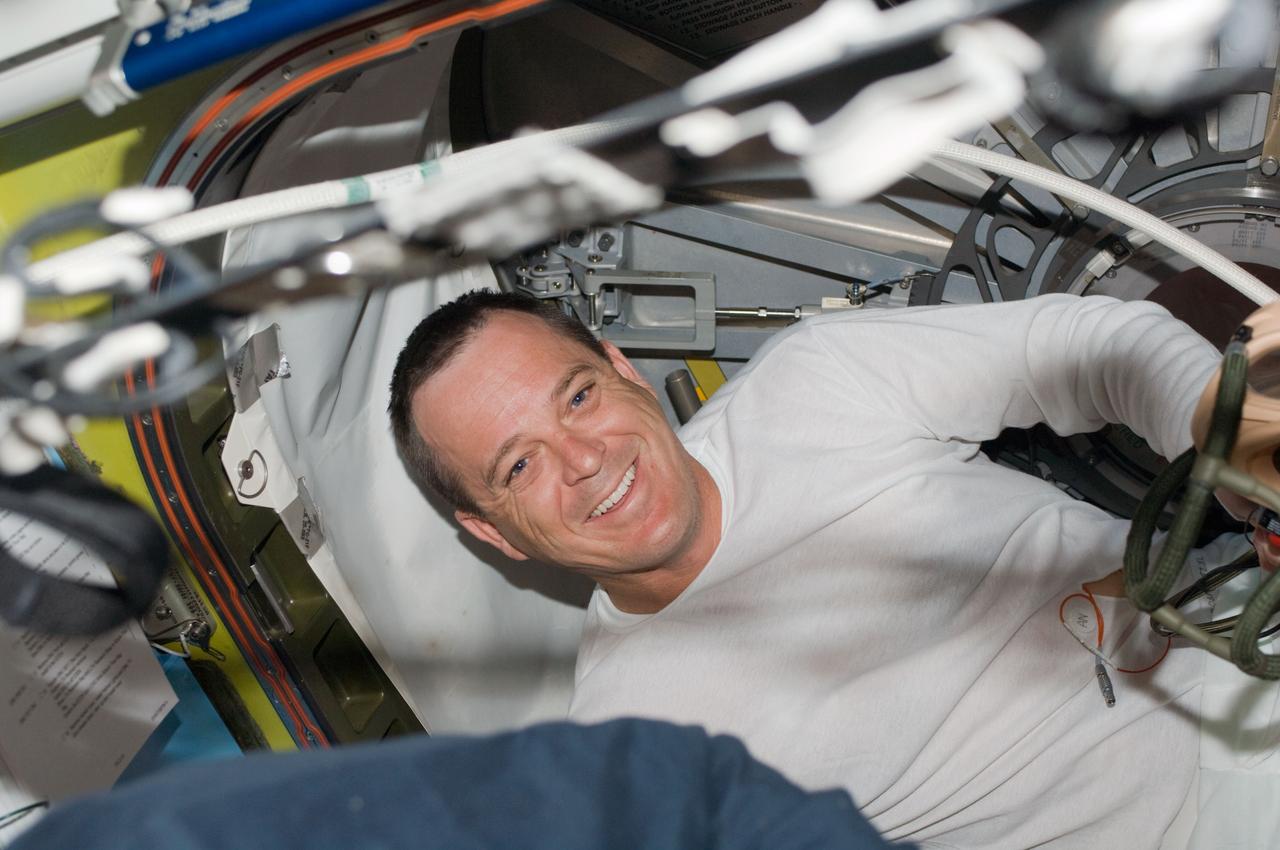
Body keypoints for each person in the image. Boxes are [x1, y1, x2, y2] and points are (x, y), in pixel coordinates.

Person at [388, 289, 1254, 849]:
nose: (583, 460)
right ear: (493, 533)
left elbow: (1092, 344)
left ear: (625, 371)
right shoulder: (637, 753)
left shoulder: (816, 383)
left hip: (1238, 650)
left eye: (578, 396)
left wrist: (1243, 451)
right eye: (519, 466)